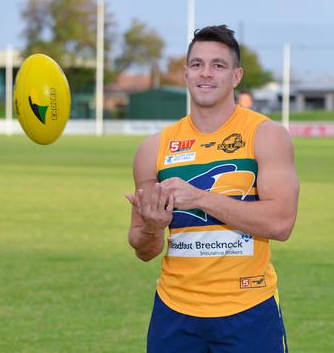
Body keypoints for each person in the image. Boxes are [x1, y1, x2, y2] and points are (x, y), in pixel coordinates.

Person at [126, 25, 299, 352]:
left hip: (248, 308)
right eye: (197, 64)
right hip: (174, 313)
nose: (206, 74)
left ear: (236, 76)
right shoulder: (153, 148)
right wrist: (151, 228)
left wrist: (200, 198)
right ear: (185, 74)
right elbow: (143, 249)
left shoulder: (266, 135)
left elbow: (280, 223)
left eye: (218, 65)